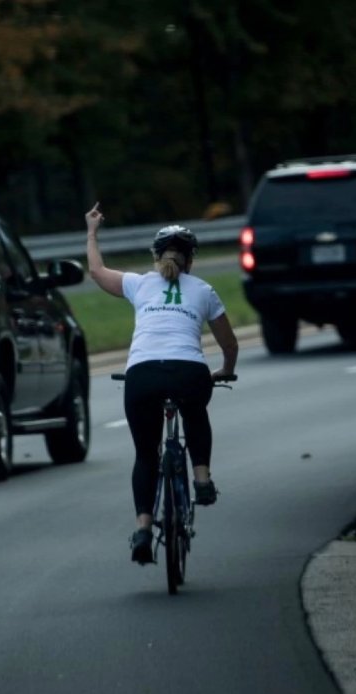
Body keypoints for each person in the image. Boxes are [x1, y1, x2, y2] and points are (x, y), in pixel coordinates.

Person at [85, 202, 239, 565]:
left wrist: (92, 231)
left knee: (145, 454)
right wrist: (225, 369)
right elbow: (228, 343)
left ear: (156, 257)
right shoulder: (203, 290)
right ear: (191, 260)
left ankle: (142, 528)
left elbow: (95, 270)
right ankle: (201, 478)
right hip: (189, 372)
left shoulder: (138, 284)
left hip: (142, 374)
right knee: (195, 411)